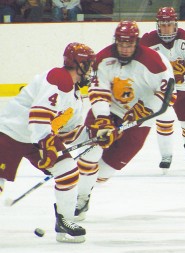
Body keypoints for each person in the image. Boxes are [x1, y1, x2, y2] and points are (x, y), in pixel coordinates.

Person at [74, 20, 175, 221]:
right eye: (121, 44)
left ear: (137, 43)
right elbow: (98, 90)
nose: (125, 49)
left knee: (104, 172)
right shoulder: (104, 58)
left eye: (129, 45)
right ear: (116, 42)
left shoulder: (156, 62)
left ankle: (87, 187)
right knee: (90, 155)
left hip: (140, 120)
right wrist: (103, 120)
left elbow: (167, 96)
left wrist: (143, 111)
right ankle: (80, 198)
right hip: (109, 110)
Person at [0, 42, 96, 243]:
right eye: (88, 64)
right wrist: (46, 145)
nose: (91, 69)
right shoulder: (58, 78)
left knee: (67, 170)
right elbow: (38, 115)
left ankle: (65, 221)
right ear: (78, 64)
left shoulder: (76, 96)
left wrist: (94, 137)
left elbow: (69, 132)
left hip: (38, 138)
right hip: (10, 132)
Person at [139, 6, 185, 175]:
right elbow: (138, 66)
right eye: (163, 24)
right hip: (160, 92)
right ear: (157, 25)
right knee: (165, 122)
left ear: (176, 24)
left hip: (184, 90)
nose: (166, 28)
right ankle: (166, 156)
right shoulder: (147, 42)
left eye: (169, 24)